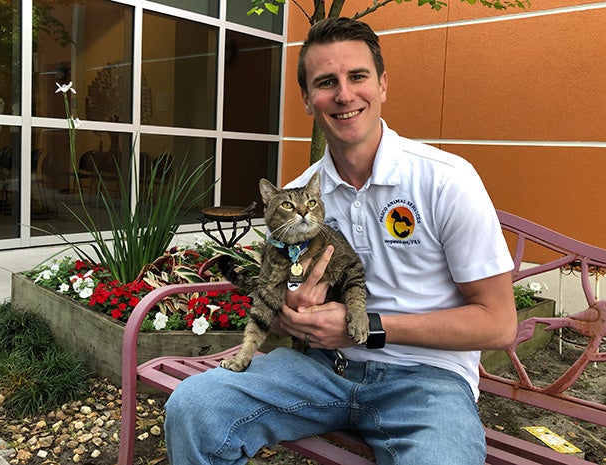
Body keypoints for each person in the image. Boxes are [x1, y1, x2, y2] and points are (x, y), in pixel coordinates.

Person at [164, 17, 517, 465]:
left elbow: (499, 323)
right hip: (320, 368)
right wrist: (290, 315)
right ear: (308, 101)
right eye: (326, 82)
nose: (345, 95)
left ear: (383, 85)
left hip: (427, 379)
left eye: (358, 76)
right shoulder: (299, 197)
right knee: (195, 408)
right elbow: (278, 306)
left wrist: (367, 327)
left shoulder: (446, 180)